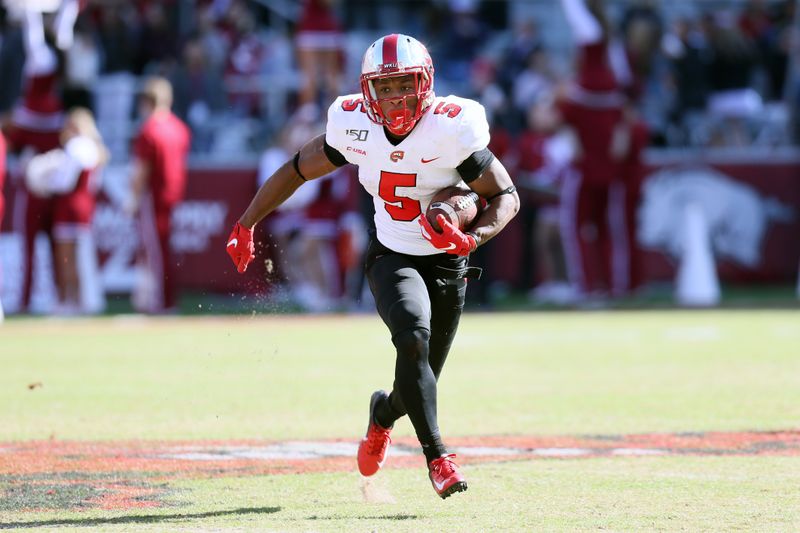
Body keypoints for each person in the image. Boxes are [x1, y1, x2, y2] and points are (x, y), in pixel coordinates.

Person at [226, 34, 519, 498]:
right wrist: (247, 223)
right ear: (368, 92)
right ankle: (439, 458)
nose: (396, 97)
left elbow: (505, 196)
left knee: (416, 378)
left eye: (405, 83)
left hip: (448, 262)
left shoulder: (452, 126)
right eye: (385, 87)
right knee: (413, 338)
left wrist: (471, 236)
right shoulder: (353, 124)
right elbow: (297, 168)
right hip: (392, 255)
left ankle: (382, 414)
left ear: (426, 84)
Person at [23, 108, 109, 314]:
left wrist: (45, 178)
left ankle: (71, 301)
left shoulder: (76, 146)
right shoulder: (94, 148)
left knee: (66, 258)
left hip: (69, 208)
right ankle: (82, 300)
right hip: (85, 207)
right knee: (80, 258)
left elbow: (64, 182)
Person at [126, 77, 191, 314]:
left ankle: (163, 301)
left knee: (155, 250)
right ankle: (158, 298)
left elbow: (142, 169)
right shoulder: (179, 128)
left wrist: (132, 197)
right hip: (173, 194)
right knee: (162, 248)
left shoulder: (149, 130)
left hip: (154, 195)